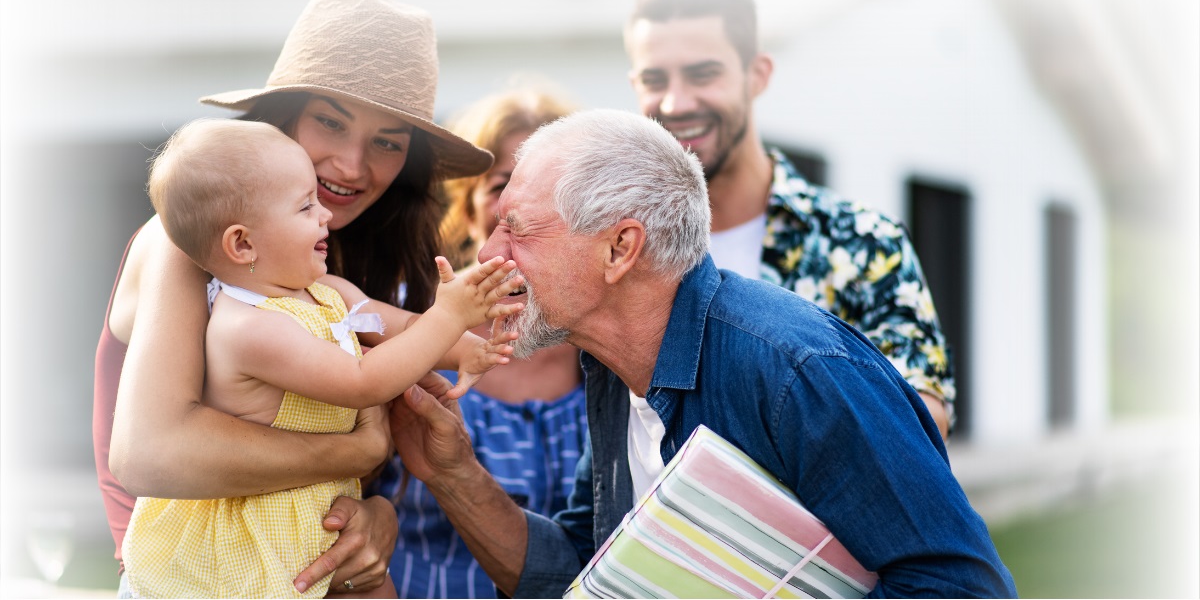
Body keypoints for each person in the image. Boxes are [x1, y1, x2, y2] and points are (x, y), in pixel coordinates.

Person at [388, 109, 1018, 597]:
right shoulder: (611, 368)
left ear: (619, 249)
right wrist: (452, 474)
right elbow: (584, 569)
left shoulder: (796, 372)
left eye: (516, 228)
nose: (488, 254)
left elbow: (963, 587)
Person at [97, 0, 493, 596]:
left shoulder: (334, 259)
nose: (353, 165)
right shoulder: (191, 248)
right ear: (282, 117)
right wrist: (357, 452)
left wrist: (376, 518)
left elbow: (366, 469)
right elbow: (149, 455)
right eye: (330, 122)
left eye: (388, 141)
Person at [118, 118, 522, 598]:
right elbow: (362, 380)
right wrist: (450, 314)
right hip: (256, 533)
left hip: (315, 507)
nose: (324, 215)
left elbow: (402, 328)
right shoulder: (246, 327)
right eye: (305, 205)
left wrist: (467, 349)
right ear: (242, 243)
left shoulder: (323, 290)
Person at [624, 0, 956, 438]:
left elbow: (922, 423)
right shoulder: (620, 249)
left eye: (704, 74)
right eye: (655, 79)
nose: (676, 102)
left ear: (757, 75)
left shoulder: (863, 242)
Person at [369, 85, 587, 598]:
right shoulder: (401, 322)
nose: (526, 207)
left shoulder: (606, 345)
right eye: (503, 186)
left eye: (553, 189)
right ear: (468, 211)